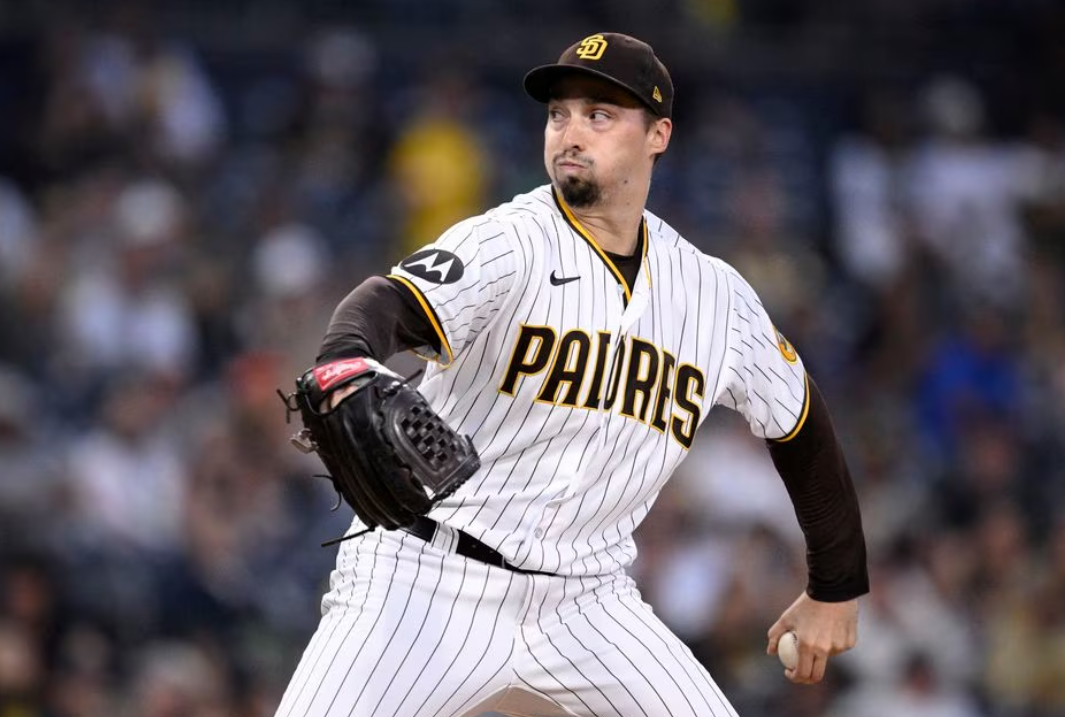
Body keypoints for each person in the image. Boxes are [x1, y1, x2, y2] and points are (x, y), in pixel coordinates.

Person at [273, 32, 869, 717]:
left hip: (587, 600)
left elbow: (799, 424)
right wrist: (346, 355)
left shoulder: (715, 296)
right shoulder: (509, 240)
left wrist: (834, 585)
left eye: (599, 114)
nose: (569, 132)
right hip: (425, 578)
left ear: (658, 134)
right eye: (558, 114)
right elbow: (391, 302)